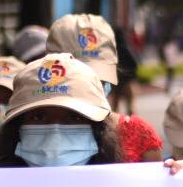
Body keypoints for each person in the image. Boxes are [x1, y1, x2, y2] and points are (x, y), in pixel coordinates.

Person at [46, 13, 162, 162]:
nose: (90, 86)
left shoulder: (140, 135)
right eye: (78, 79)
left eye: (98, 77)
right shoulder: (30, 135)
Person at [0, 55, 123, 167]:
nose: (55, 137)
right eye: (38, 117)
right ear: (15, 129)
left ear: (99, 130)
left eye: (75, 117)